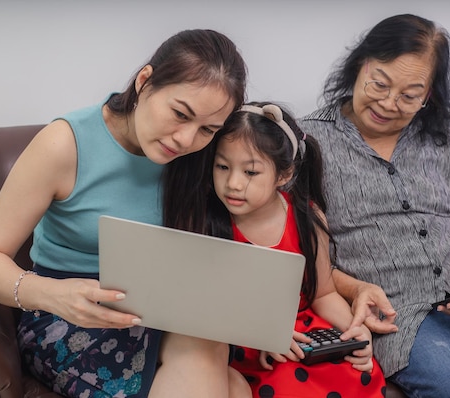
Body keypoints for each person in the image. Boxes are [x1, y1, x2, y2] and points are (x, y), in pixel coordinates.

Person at [0, 29, 250, 398]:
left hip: (159, 310)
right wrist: (53, 294)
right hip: (69, 314)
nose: (186, 140)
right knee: (231, 386)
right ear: (145, 82)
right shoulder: (64, 144)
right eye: (180, 114)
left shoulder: (199, 158)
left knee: (227, 374)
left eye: (207, 129)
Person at [297, 14, 450, 397]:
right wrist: (354, 289)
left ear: (429, 94)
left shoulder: (444, 136)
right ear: (359, 66)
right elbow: (301, 252)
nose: (388, 104)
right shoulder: (307, 143)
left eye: (409, 95)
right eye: (379, 84)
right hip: (400, 316)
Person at [162, 102, 387, 397]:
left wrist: (355, 332)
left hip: (303, 333)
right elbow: (194, 304)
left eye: (251, 172)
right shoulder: (205, 219)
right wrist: (262, 333)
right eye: (222, 167)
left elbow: (324, 294)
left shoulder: (306, 218)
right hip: (238, 339)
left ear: (283, 175)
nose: (233, 183)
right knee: (286, 385)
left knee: (353, 375)